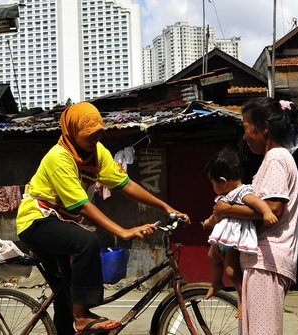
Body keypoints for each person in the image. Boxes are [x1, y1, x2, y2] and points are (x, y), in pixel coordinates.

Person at [16, 102, 188, 335]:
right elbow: (83, 206)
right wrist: (122, 231)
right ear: (71, 131)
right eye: (88, 135)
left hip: (61, 222)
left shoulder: (98, 153)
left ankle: (73, 319)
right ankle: (83, 317)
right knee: (87, 241)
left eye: (98, 133)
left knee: (67, 293)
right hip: (36, 220)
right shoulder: (59, 157)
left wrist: (165, 206)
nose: (94, 139)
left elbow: (125, 185)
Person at [212, 97, 298, 334]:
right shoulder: (273, 159)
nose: (244, 136)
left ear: (264, 128)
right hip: (262, 261)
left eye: (246, 128)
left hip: (267, 260)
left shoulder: (276, 158)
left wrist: (226, 210)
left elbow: (273, 208)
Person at [202, 147, 277, 319]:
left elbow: (257, 202)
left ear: (222, 181)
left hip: (234, 239)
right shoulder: (225, 196)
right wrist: (208, 222)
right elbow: (217, 215)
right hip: (223, 237)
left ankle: (243, 300)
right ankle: (216, 282)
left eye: (212, 183)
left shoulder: (242, 192)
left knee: (231, 270)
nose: (212, 187)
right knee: (211, 256)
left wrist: (266, 212)